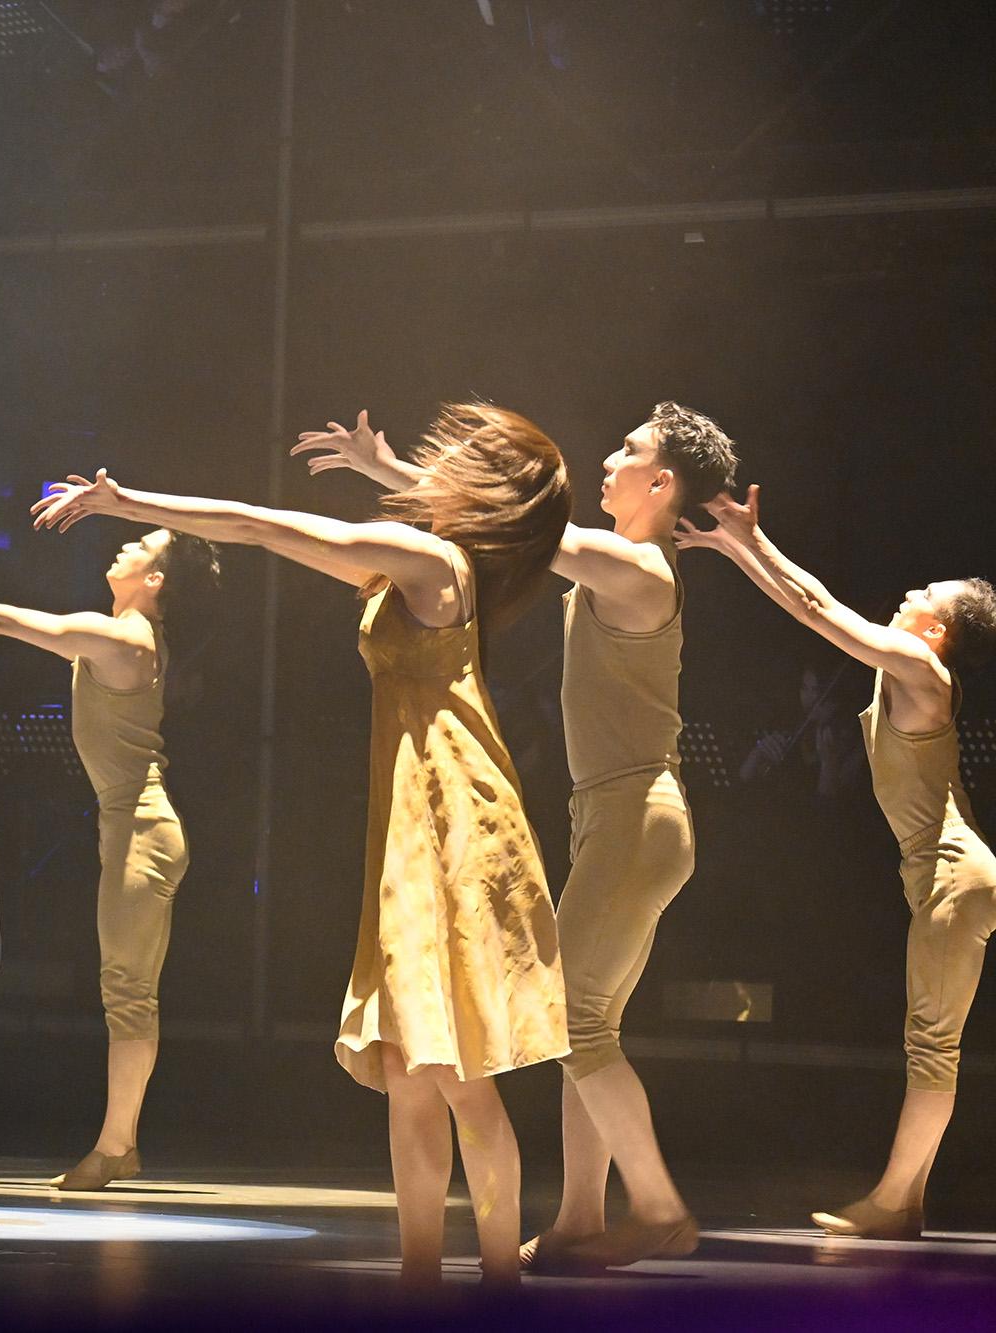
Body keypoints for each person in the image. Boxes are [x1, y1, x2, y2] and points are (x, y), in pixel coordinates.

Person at [33, 402, 572, 1284]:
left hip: (456, 816)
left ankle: (501, 1284)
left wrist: (128, 502)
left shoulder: (432, 558)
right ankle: (422, 1277)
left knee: (459, 1069)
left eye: (454, 462)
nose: (434, 468)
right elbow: (305, 528)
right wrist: (382, 469)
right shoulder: (439, 557)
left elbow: (261, 525)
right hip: (413, 817)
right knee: (408, 1066)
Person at [299, 402, 739, 1269]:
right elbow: (514, 527)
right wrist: (391, 472)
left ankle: (658, 1207)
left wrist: (390, 474)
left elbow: (521, 529)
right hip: (617, 819)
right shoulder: (621, 562)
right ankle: (580, 1216)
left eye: (629, 450)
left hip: (635, 817)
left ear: (661, 483)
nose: (609, 458)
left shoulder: (639, 565)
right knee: (589, 1024)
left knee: (578, 1020)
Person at [677, 485, 996, 1240]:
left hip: (954, 877)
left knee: (932, 1049)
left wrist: (750, 542)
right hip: (951, 876)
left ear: (936, 629)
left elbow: (817, 608)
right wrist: (737, 548)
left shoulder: (919, 666)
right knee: (933, 1047)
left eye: (925, 594)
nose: (909, 593)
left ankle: (891, 1202)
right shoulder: (909, 665)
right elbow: (813, 611)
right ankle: (903, 1204)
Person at [0, 526, 220, 1191]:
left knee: (128, 994)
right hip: (134, 826)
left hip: (142, 829)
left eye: (142, 547)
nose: (125, 548)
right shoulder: (137, 639)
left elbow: (8, 620)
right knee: (129, 992)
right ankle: (121, 1143)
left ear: (155, 580)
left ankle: (115, 1147)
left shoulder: (125, 638)